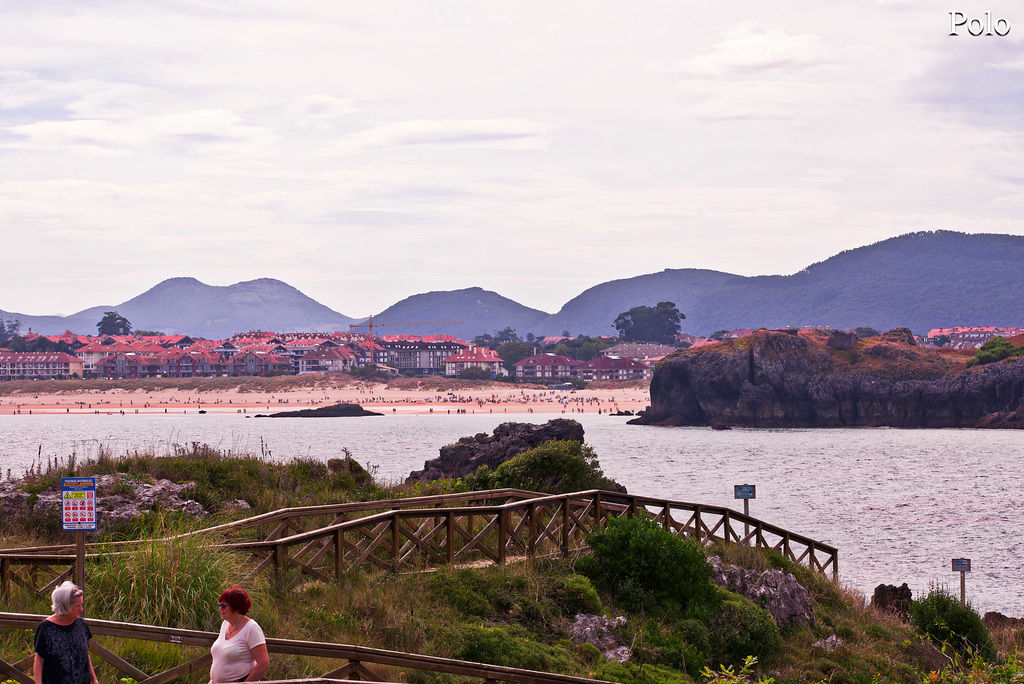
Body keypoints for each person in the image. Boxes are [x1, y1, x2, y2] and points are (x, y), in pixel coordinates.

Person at [34, 581, 99, 684]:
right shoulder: (46, 628)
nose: (81, 609)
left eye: (81, 605)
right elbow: (39, 658)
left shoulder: (81, 624)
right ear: (65, 606)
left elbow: (85, 654)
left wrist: (93, 679)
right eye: (77, 606)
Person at [209, 586, 269, 683]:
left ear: (236, 608)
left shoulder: (252, 628)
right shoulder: (225, 624)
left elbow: (264, 663)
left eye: (224, 606)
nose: (220, 608)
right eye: (219, 605)